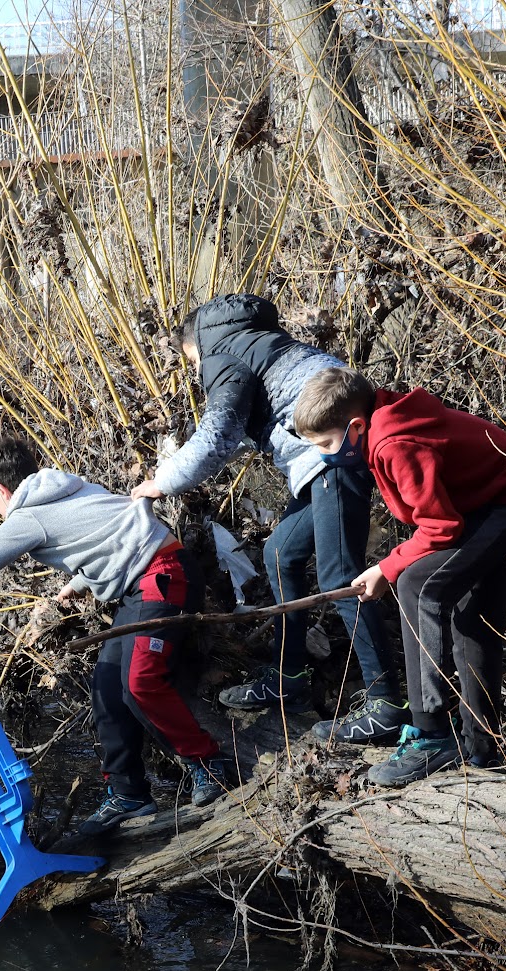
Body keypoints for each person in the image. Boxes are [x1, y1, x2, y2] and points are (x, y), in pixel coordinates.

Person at [0, 436, 236, 834]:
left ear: (2, 490)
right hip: (147, 580)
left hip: (163, 576)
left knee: (141, 681)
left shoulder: (25, 516)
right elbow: (110, 530)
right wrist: (82, 580)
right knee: (106, 686)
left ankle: (210, 765)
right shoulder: (68, 484)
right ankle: (129, 794)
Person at [131, 294, 407, 740]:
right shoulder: (256, 342)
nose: (194, 370)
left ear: (193, 343)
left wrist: (161, 482)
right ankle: (289, 679)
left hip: (333, 455)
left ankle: (387, 704)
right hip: (323, 458)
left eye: (190, 361)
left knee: (342, 577)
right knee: (280, 553)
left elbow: (218, 433)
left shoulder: (222, 354)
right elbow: (246, 428)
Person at [293, 367, 506, 786]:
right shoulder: (379, 425)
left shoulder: (395, 443)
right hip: (483, 504)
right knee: (472, 621)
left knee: (416, 585)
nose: (324, 455)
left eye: (325, 444)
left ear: (356, 426)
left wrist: (384, 568)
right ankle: (482, 750)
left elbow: (440, 526)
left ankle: (430, 733)